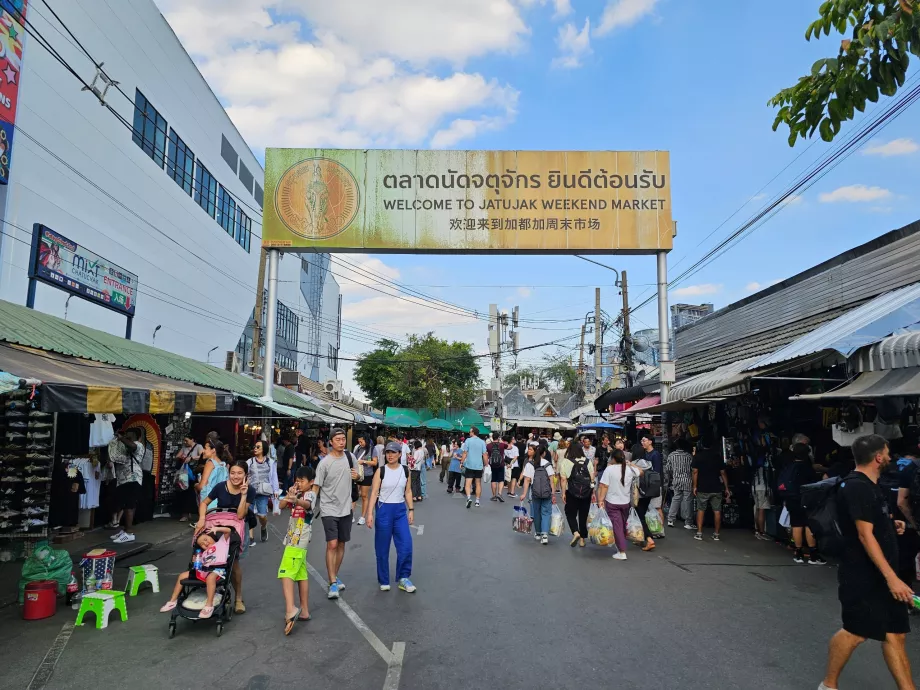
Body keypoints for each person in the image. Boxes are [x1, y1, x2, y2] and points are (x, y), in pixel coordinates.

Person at [819, 435, 914, 690]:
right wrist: (892, 578)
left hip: (882, 574)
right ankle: (828, 685)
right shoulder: (856, 486)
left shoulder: (873, 485)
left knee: (895, 634)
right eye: (888, 452)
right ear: (878, 457)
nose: (891, 457)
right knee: (855, 632)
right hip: (862, 575)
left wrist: (891, 525)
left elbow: (871, 524)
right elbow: (863, 534)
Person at [196, 460, 253, 614]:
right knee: (205, 552)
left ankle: (238, 598)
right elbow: (205, 502)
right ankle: (210, 588)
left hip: (237, 528)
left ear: (245, 475)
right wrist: (202, 518)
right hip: (218, 525)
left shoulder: (250, 490)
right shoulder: (220, 486)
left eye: (240, 473)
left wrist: (244, 494)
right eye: (233, 472)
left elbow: (241, 514)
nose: (235, 476)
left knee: (234, 563)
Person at [314, 428, 360, 599]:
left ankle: (333, 575)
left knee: (341, 544)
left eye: (343, 439)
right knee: (332, 544)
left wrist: (357, 476)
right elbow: (317, 486)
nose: (341, 442)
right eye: (338, 439)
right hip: (328, 508)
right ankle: (333, 582)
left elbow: (358, 475)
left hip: (346, 508)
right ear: (331, 442)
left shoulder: (350, 457)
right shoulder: (324, 463)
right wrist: (310, 505)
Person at [365, 441, 417, 593]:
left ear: (400, 454)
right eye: (388, 452)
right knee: (382, 548)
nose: (390, 455)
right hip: (384, 510)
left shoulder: (406, 470)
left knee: (406, 545)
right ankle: (384, 579)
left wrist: (411, 509)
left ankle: (403, 577)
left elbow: (407, 492)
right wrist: (369, 514)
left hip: (400, 511)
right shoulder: (380, 471)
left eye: (394, 452)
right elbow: (374, 493)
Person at [159, 527, 233, 619]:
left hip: (217, 570)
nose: (205, 543)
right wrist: (196, 561)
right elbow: (200, 564)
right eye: (202, 544)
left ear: (211, 536)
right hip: (204, 570)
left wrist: (216, 529)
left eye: (206, 539)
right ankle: (172, 601)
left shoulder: (221, 543)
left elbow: (228, 531)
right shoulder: (204, 553)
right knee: (182, 575)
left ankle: (208, 605)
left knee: (210, 578)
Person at [278, 465, 315, 634]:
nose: (299, 483)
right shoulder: (296, 492)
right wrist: (290, 495)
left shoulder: (311, 494)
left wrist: (296, 500)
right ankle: (305, 610)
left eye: (302, 481)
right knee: (301, 574)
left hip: (299, 540)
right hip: (293, 538)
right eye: (297, 480)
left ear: (311, 482)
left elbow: (307, 505)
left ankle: (290, 609)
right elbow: (280, 505)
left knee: (286, 573)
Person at [780, 443, 826, 564]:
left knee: (796, 525)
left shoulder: (788, 467)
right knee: (809, 525)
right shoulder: (807, 468)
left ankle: (798, 552)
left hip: (791, 499)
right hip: (807, 500)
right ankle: (813, 554)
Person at [597, 449, 641, 560]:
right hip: (626, 502)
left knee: (617, 527)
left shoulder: (609, 469)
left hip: (612, 502)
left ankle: (622, 552)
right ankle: (620, 546)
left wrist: (600, 500)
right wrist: (631, 464)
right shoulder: (629, 469)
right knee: (621, 525)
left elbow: (604, 486)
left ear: (613, 458)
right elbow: (641, 471)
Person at [107, 429, 146, 544]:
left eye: (130, 434)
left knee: (129, 505)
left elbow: (132, 446)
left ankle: (129, 532)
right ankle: (125, 530)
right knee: (125, 505)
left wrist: (121, 438)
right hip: (123, 479)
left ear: (137, 436)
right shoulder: (125, 445)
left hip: (132, 478)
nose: (128, 436)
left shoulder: (138, 444)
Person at [692, 431, 731, 543]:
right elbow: (723, 473)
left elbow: (695, 472)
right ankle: (716, 534)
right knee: (717, 510)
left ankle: (699, 533)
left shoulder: (698, 457)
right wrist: (727, 487)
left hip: (702, 487)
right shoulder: (717, 456)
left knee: (701, 509)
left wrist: (694, 486)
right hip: (716, 487)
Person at [558, 440, 595, 547]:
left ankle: (576, 532)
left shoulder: (566, 461)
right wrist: (593, 493)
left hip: (572, 492)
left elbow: (563, 479)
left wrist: (563, 493)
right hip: (586, 492)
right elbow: (592, 478)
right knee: (583, 515)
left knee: (570, 513)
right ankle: (583, 540)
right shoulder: (588, 461)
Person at [518, 443, 555, 545]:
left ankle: (538, 533)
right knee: (546, 513)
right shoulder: (547, 464)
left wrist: (524, 494)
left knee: (537, 512)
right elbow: (552, 480)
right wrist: (553, 493)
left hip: (535, 492)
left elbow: (527, 480)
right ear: (544, 453)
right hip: (547, 492)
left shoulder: (530, 464)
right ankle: (545, 535)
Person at [246, 440, 279, 546]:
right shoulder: (249, 462)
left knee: (262, 516)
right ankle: (250, 537)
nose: (255, 448)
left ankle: (263, 527)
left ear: (263, 449)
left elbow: (274, 477)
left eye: (258, 447)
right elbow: (244, 474)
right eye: (255, 446)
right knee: (249, 514)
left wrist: (276, 490)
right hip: (250, 491)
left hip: (264, 492)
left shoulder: (270, 462)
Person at [665, 439, 694, 529]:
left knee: (676, 498)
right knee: (687, 500)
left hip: (676, 480)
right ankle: (688, 522)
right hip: (687, 480)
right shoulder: (688, 456)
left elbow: (668, 469)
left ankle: (670, 519)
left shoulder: (671, 455)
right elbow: (692, 469)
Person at [196, 440, 231, 512]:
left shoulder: (210, 463)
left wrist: (196, 485)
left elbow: (201, 486)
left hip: (209, 502)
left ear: (213, 450)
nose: (203, 451)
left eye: (205, 448)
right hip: (221, 502)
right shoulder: (223, 464)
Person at [640, 435, 666, 531]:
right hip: (647, 485)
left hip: (655, 484)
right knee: (650, 508)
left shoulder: (655, 454)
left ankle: (660, 529)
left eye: (644, 440)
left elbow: (657, 471)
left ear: (650, 442)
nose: (642, 442)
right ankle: (653, 529)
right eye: (641, 441)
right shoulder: (645, 454)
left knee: (657, 507)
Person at [461, 427, 488, 508]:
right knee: (478, 483)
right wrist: (486, 464)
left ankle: (469, 498)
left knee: (468, 483)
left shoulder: (468, 440)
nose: (469, 433)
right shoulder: (482, 442)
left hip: (469, 465)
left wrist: (462, 462)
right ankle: (477, 501)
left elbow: (465, 453)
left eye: (470, 431)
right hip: (479, 466)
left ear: (473, 432)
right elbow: (484, 454)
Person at [355, 435, 377, 526]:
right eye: (359, 442)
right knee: (354, 494)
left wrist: (364, 462)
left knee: (364, 495)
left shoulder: (372, 449)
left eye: (361, 442)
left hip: (367, 475)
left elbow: (375, 462)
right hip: (357, 474)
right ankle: (351, 515)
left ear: (366, 441)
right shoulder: (358, 448)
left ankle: (363, 517)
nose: (360, 444)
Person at [486, 432, 507, 503]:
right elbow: (510, 447)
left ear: (492, 437)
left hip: (492, 464)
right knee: (501, 480)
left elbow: (487, 454)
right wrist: (501, 441)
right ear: (498, 437)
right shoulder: (502, 445)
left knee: (494, 479)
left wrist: (486, 463)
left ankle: (494, 496)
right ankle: (500, 494)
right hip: (501, 464)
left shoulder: (488, 445)